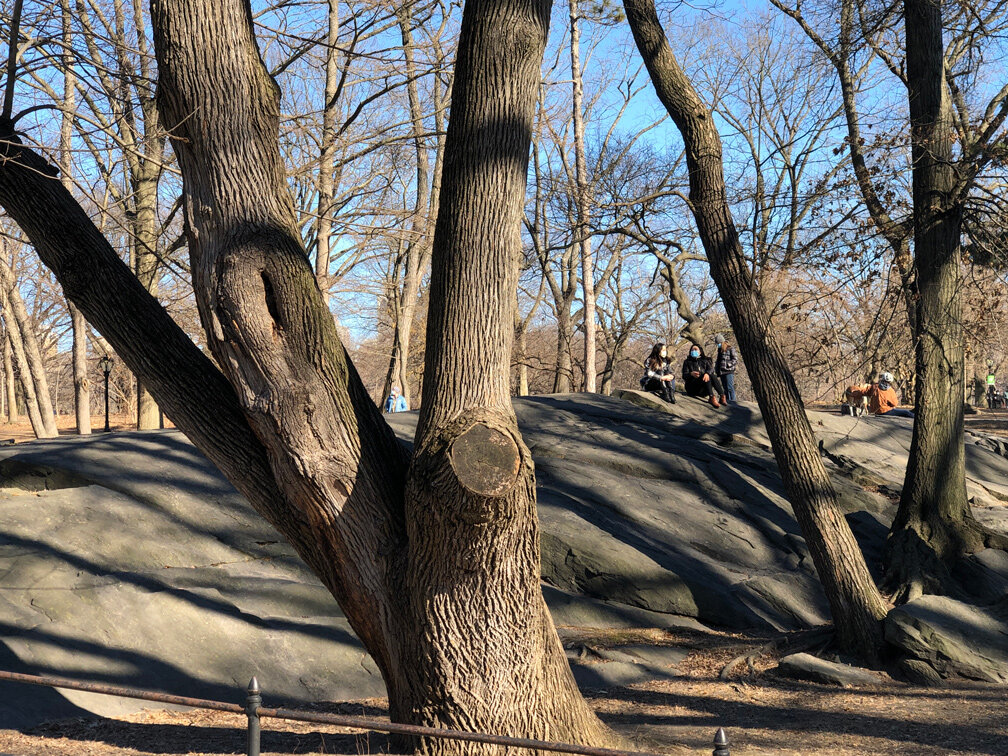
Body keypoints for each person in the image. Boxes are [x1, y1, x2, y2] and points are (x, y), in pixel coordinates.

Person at [849, 372, 914, 418]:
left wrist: (853, 393)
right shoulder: (890, 390)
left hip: (876, 411)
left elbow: (864, 392)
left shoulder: (874, 387)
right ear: (890, 382)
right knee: (906, 412)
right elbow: (894, 403)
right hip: (886, 411)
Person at [681, 343, 725, 408]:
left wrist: (707, 373)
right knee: (706, 376)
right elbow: (684, 375)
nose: (694, 351)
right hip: (692, 387)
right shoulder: (687, 362)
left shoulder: (705, 360)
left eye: (695, 350)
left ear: (700, 351)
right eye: (692, 350)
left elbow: (711, 369)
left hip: (704, 388)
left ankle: (722, 396)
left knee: (711, 376)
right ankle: (712, 397)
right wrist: (691, 374)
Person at [714, 333, 738, 404]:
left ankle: (733, 401)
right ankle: (727, 400)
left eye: (718, 343)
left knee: (730, 387)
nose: (718, 345)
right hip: (721, 372)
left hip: (728, 371)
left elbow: (735, 359)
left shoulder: (730, 348)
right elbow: (718, 361)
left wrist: (728, 365)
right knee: (725, 388)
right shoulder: (719, 351)